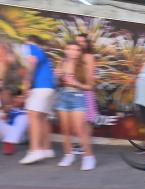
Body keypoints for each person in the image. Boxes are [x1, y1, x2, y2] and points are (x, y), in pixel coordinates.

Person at [54, 41, 96, 170]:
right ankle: (68, 154)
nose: (73, 52)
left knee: (79, 130)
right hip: (63, 96)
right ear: (66, 50)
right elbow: (56, 82)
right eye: (70, 49)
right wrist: (57, 76)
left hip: (78, 97)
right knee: (65, 130)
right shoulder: (62, 63)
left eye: (76, 49)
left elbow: (90, 86)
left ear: (79, 52)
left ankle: (88, 157)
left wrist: (76, 83)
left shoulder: (84, 65)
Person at [19, 35, 56, 164]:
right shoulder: (43, 53)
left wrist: (27, 82)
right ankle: (47, 149)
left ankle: (35, 150)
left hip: (39, 87)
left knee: (33, 116)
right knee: (42, 118)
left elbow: (32, 61)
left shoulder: (29, 47)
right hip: (49, 88)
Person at [72, 33, 98, 154]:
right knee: (81, 120)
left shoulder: (88, 56)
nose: (80, 44)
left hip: (86, 90)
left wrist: (86, 87)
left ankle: (83, 145)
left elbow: (90, 76)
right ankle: (82, 143)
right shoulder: (76, 56)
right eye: (78, 41)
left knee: (86, 120)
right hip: (77, 90)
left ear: (87, 44)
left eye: (83, 41)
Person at [0, 89, 28, 155]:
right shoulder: (8, 107)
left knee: (23, 118)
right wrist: (5, 112)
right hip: (5, 135)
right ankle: (8, 142)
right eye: (17, 98)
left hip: (20, 137)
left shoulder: (29, 107)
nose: (19, 100)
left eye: (22, 98)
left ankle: (9, 144)